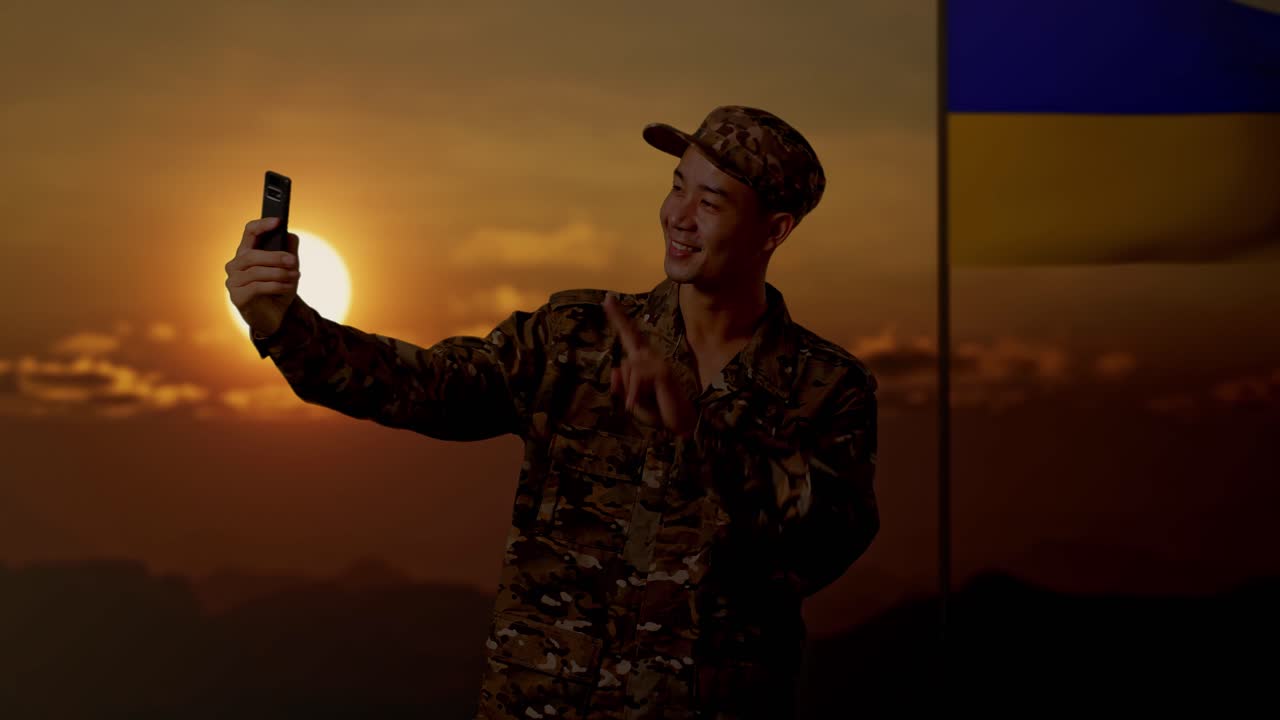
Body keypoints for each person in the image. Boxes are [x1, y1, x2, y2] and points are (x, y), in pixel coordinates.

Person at [224, 105, 879, 719]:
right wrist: (287, 326)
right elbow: (428, 386)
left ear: (775, 229)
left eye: (710, 202)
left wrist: (701, 433)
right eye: (678, 186)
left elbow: (827, 540)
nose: (679, 216)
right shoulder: (577, 336)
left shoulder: (827, 388)